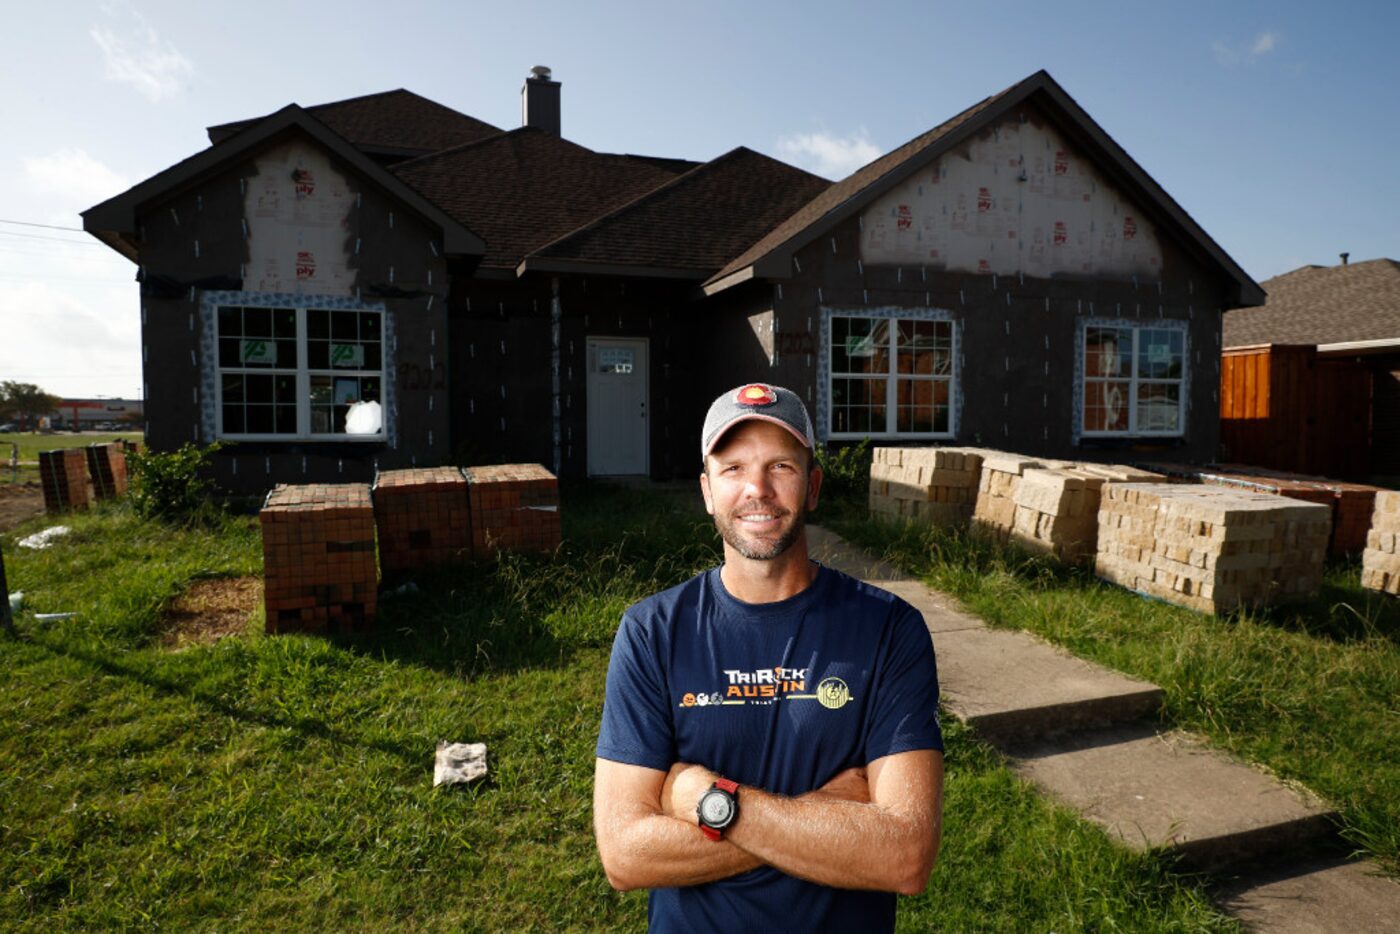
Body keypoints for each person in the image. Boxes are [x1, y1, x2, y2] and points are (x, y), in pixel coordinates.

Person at [593, 382, 944, 931]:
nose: (757, 489)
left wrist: (706, 800)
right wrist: (825, 811)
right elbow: (625, 854)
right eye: (733, 468)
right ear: (707, 491)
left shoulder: (888, 630)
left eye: (780, 465)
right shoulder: (652, 632)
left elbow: (905, 855)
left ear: (812, 487)